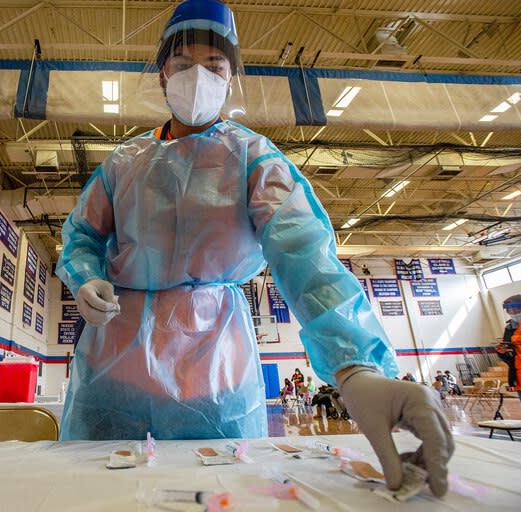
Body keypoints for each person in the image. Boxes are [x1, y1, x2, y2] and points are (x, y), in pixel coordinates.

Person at [55, 0, 452, 496]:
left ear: (230, 76)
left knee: (223, 490)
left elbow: (304, 253)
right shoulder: (122, 163)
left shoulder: (254, 158)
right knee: (94, 496)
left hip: (214, 363)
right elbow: (81, 236)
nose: (197, 77)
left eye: (214, 66)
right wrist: (87, 276)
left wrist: (356, 369)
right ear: (162, 75)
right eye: (182, 65)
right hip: (115, 362)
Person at [495, 294, 521, 431]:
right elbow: (509, 357)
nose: (514, 314)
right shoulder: (510, 328)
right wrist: (503, 352)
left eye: (517, 311)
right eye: (510, 312)